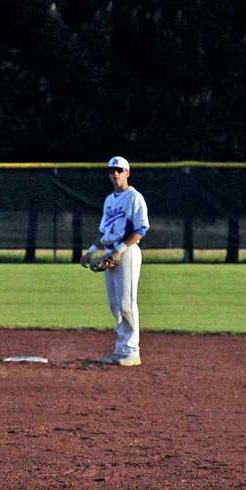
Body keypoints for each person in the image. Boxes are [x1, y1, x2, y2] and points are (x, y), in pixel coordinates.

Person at [83, 155, 149, 366]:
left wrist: (119, 250)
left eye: (120, 170)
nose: (115, 174)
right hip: (110, 252)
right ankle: (121, 349)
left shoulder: (134, 197)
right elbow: (105, 231)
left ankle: (132, 351)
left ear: (127, 173)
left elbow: (141, 229)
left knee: (126, 303)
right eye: (112, 171)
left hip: (127, 252)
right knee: (114, 305)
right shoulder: (109, 200)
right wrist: (92, 250)